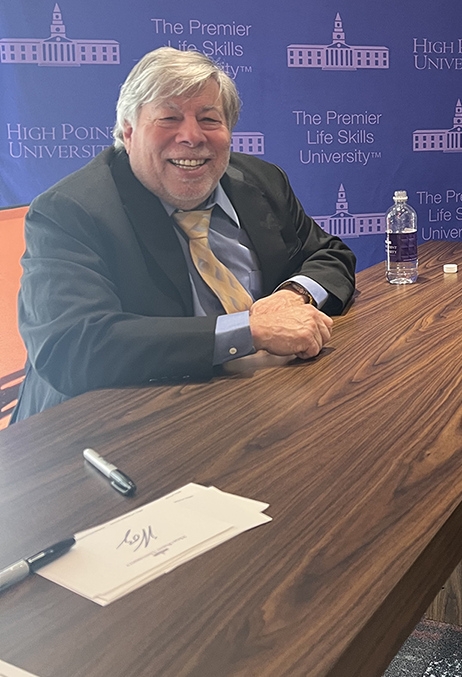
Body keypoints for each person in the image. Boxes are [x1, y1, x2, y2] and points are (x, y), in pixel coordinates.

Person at [13, 47, 356, 421]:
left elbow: (330, 254)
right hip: (106, 429)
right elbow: (74, 345)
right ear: (128, 132)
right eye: (169, 118)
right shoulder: (70, 210)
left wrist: (295, 295)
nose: (192, 137)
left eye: (209, 119)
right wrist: (248, 331)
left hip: (260, 404)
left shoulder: (261, 180)